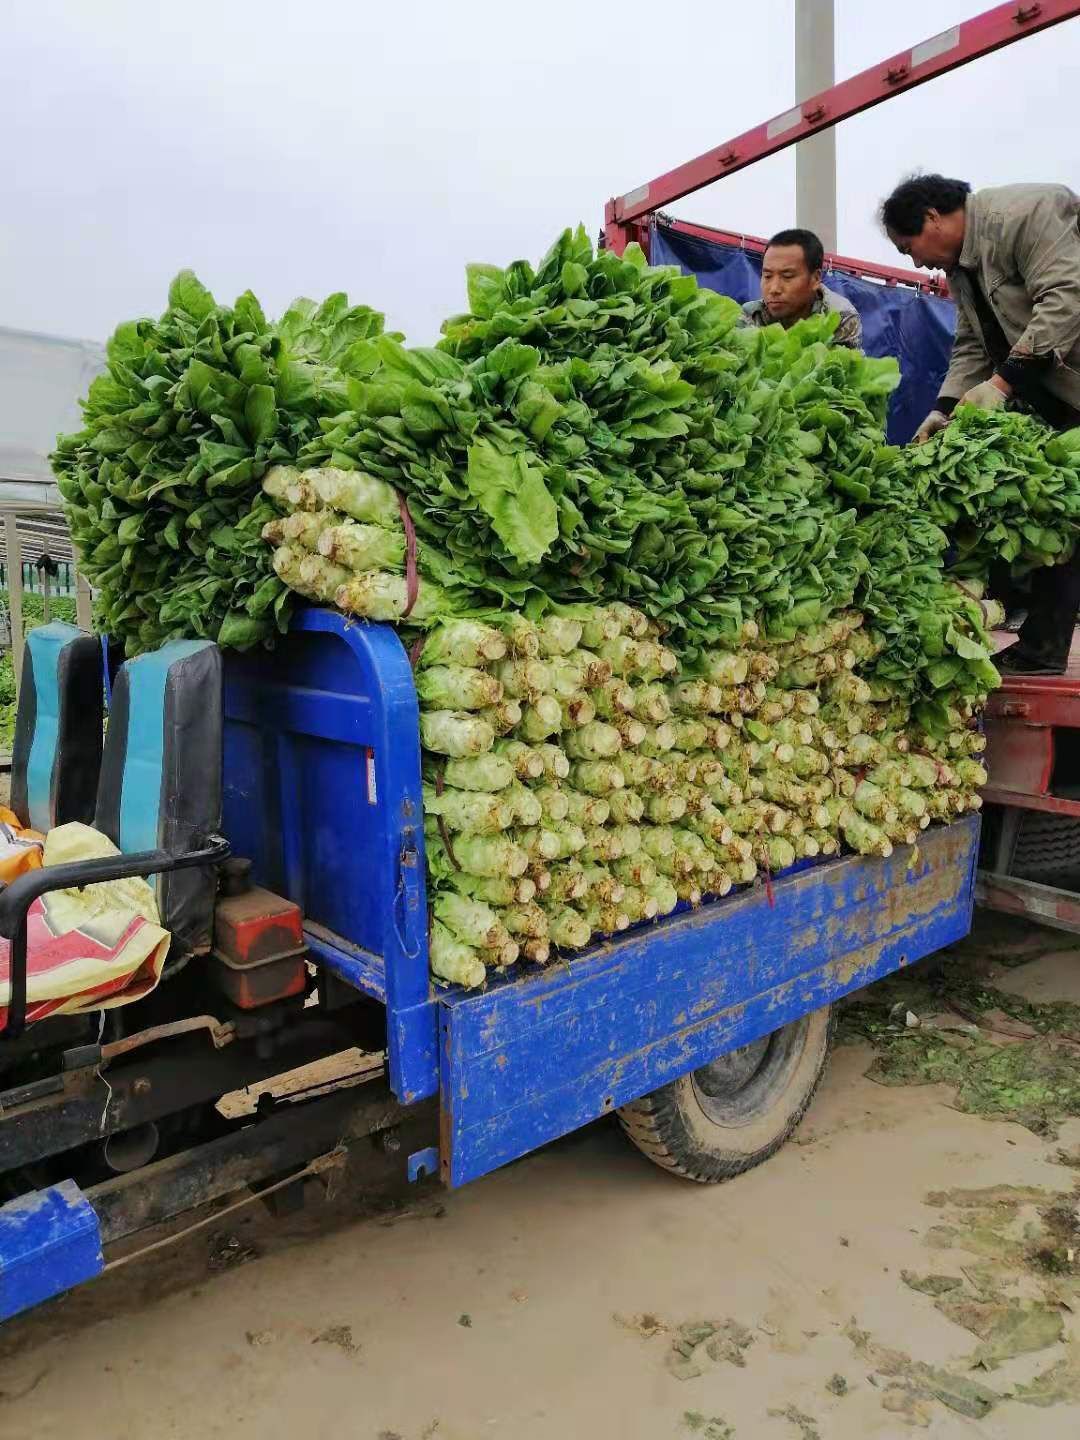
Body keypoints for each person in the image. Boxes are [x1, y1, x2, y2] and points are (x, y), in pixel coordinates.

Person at [881, 174, 1080, 675]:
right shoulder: (962, 268)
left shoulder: (1026, 213)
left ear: (932, 218)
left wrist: (1003, 384)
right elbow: (971, 344)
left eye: (910, 248)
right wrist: (943, 410)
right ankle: (1039, 645)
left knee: (1068, 514)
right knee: (1050, 514)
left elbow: (1065, 298)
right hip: (1053, 394)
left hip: (1067, 383)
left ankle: (1043, 649)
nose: (915, 262)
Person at [739, 228, 862, 348]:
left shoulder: (840, 317)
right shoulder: (750, 315)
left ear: (815, 279)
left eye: (787, 276)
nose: (774, 289)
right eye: (767, 276)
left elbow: (838, 366)